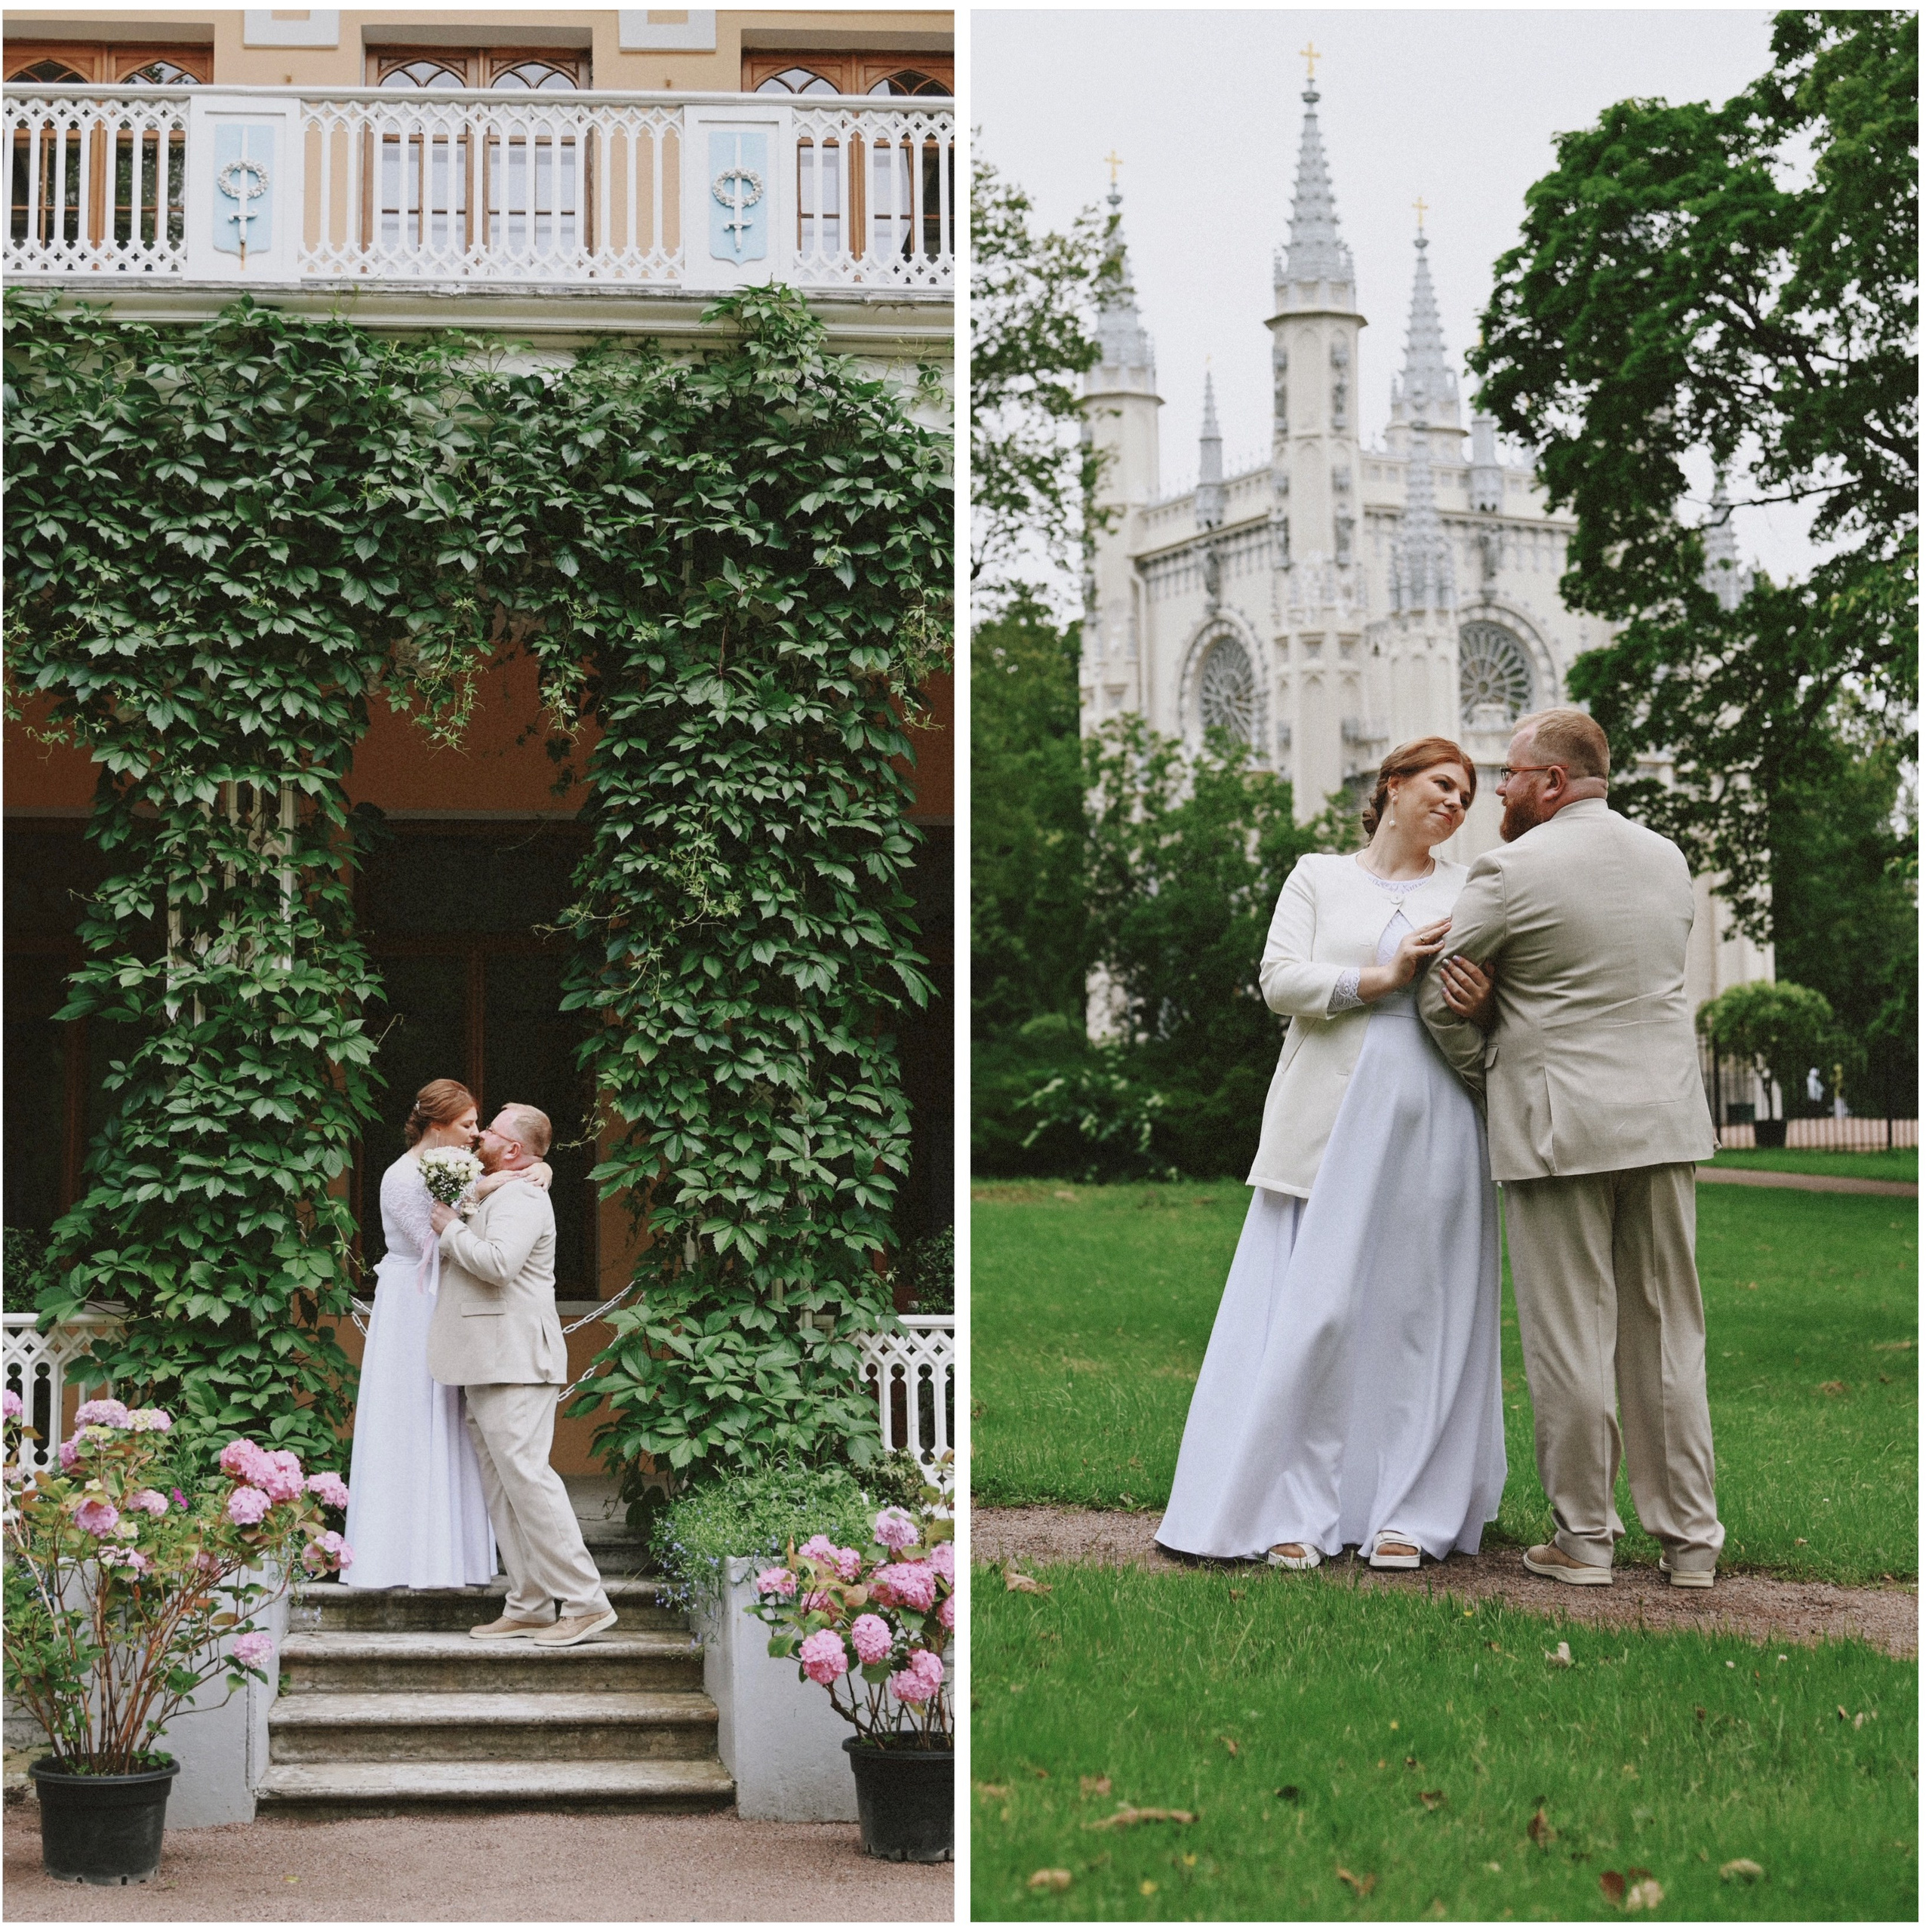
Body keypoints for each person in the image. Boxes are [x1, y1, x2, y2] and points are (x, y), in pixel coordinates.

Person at [1155, 738, 1506, 1571]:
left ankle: (1407, 1514)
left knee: (1422, 1310)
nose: (1455, 803)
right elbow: (1279, 981)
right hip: (1328, 1113)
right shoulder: (1317, 877)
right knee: (1318, 1314)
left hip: (1435, 1112)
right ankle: (1293, 1510)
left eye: (1466, 796)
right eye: (1442, 784)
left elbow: (1502, 1003)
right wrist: (1381, 978)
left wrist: (1484, 1001)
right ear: (1393, 786)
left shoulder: (1470, 888)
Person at [1418, 708, 1723, 1589]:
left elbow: (1441, 999)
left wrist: (1491, 1055)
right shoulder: (1667, 859)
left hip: (1557, 1128)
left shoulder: (1508, 870)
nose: (1499, 790)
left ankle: (1585, 1538)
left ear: (1552, 781)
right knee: (1668, 1335)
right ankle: (1690, 1543)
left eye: (1510, 775)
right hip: (1663, 1121)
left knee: (1570, 1339)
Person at [341, 1078, 549, 1592]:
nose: (477, 1134)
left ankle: (455, 1556)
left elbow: (509, 1169)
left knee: (455, 1422)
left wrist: (538, 1168)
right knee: (411, 1417)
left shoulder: (459, 1164)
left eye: (480, 1124)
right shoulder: (400, 1176)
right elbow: (433, 1242)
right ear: (437, 1125)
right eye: (467, 1124)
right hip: (412, 1303)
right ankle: (399, 1556)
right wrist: (486, 1190)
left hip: (450, 1301)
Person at [427, 1103, 617, 1647]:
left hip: (514, 1359)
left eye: (490, 1130)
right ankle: (530, 1603)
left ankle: (585, 1602)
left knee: (529, 1483)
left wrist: (449, 1229)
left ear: (513, 1149)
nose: (481, 1135)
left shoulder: (525, 1198)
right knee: (505, 1490)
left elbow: (498, 1264)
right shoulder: (503, 1189)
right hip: (487, 1359)